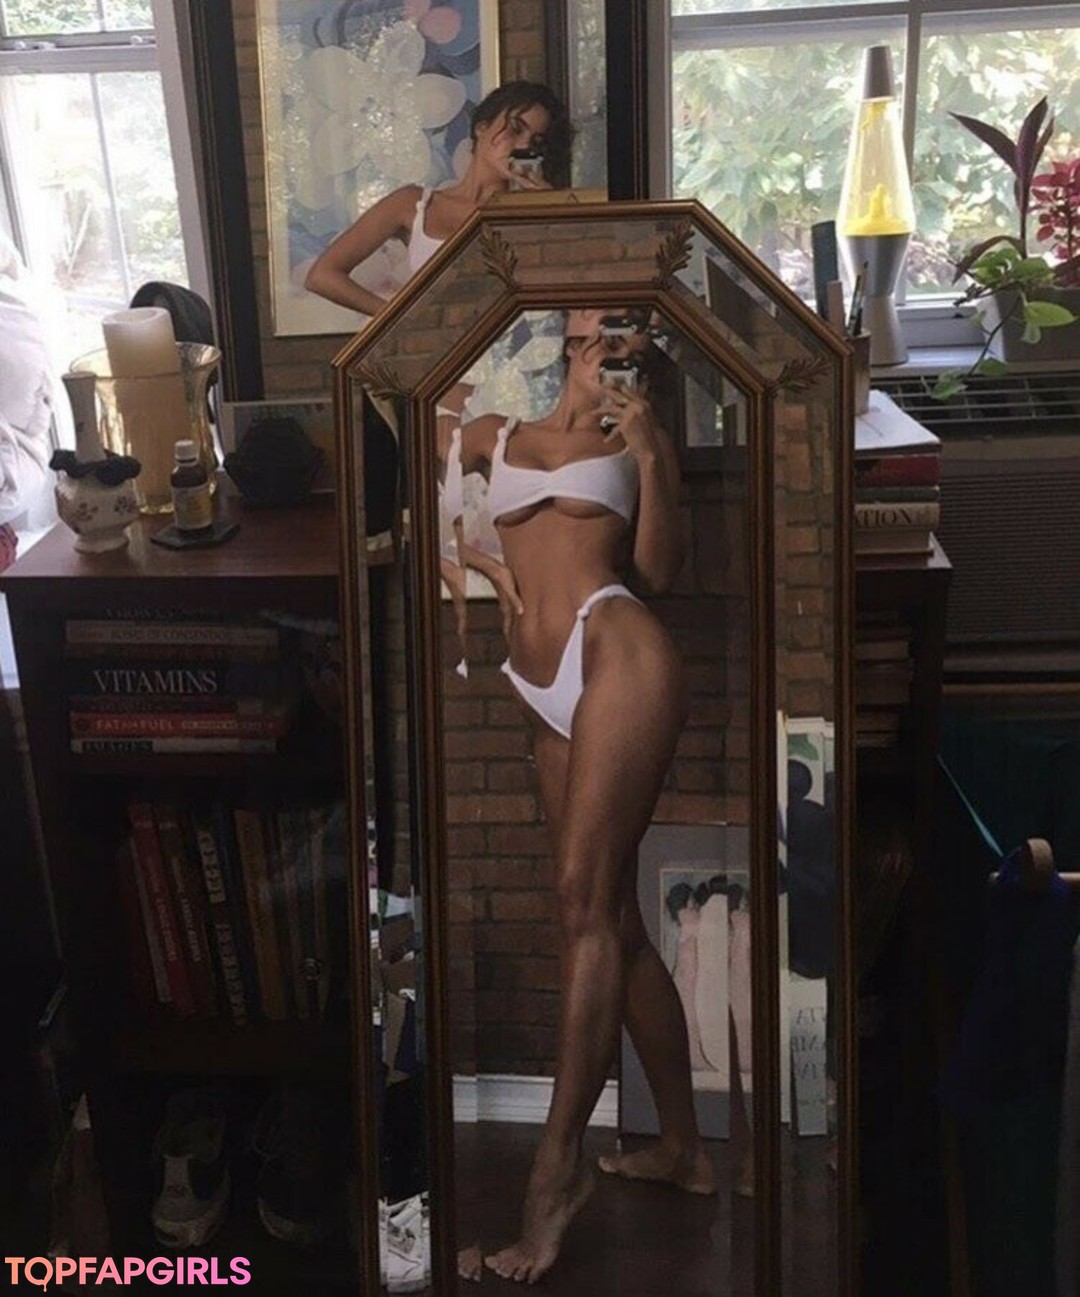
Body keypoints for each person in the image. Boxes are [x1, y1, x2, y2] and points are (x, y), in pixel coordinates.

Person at [453, 315, 715, 1285]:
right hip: (540, 683)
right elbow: (444, 522)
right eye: (601, 325)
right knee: (614, 919)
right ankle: (682, 1148)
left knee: (581, 907)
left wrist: (651, 450)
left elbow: (658, 571)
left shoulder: (634, 439)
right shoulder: (496, 435)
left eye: (632, 334)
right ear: (569, 334)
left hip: (619, 650)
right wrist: (483, 569)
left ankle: (555, 1173)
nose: (613, 342)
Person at [304, 80, 572, 319]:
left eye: (535, 142)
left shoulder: (530, 212)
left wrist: (551, 211)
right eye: (515, 129)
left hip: (511, 351)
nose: (523, 146)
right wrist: (400, 319)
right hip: (439, 352)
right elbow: (322, 276)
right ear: (482, 127)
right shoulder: (414, 204)